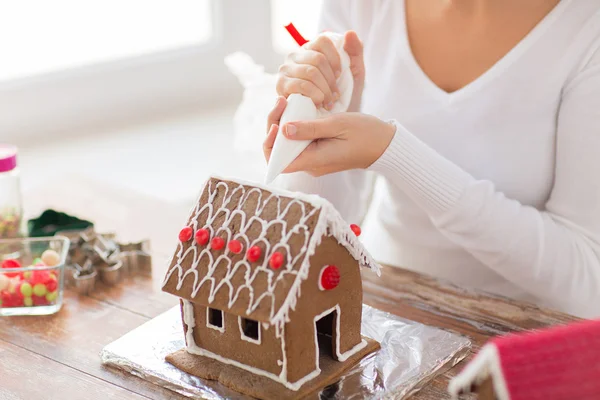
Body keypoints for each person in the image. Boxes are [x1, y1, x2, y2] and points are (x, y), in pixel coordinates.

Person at [263, 0, 600, 318]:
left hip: (516, 337)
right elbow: (318, 237)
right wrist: (317, 122)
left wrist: (395, 153)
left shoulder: (586, 29)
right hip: (383, 308)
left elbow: (586, 286)